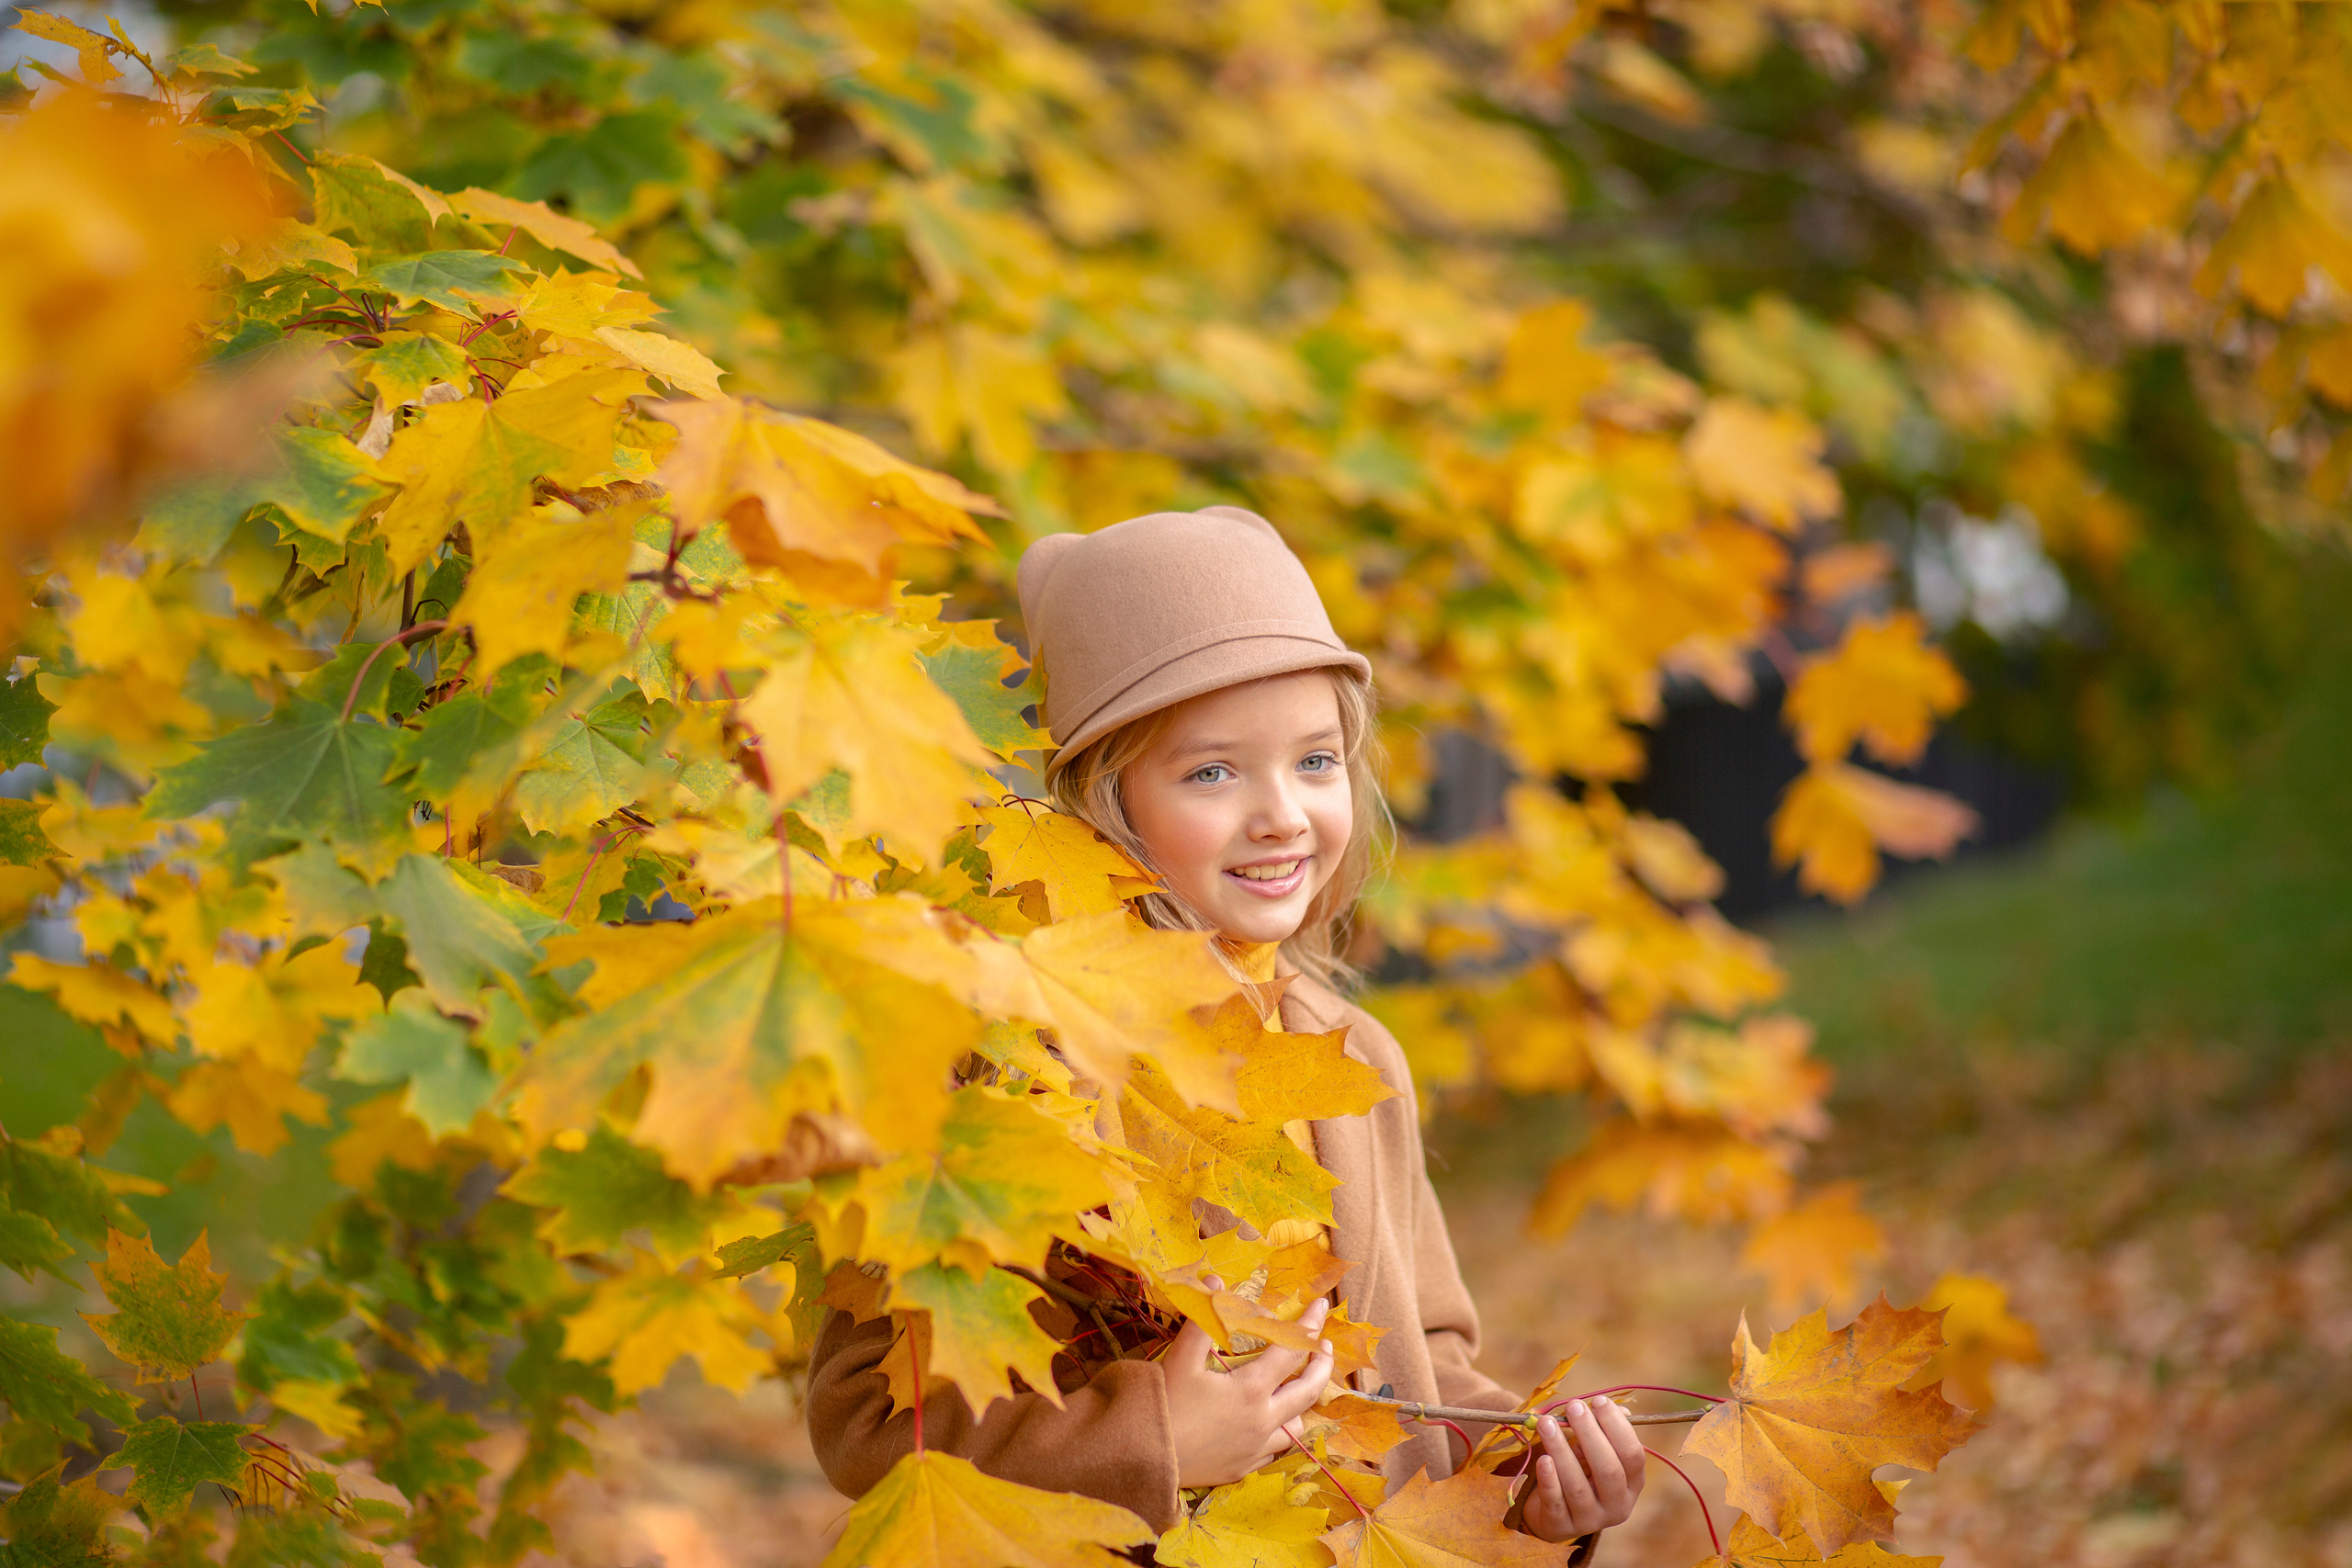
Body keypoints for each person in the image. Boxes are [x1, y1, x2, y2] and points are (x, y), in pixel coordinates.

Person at [806, 507, 1645, 1551]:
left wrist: (1526, 1484)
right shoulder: (1009, 1056)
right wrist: (1153, 1439)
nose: (1282, 814)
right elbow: (870, 1423)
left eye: (1315, 762)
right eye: (1211, 772)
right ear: (1099, 804)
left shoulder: (1348, 1055)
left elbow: (1422, 1362)